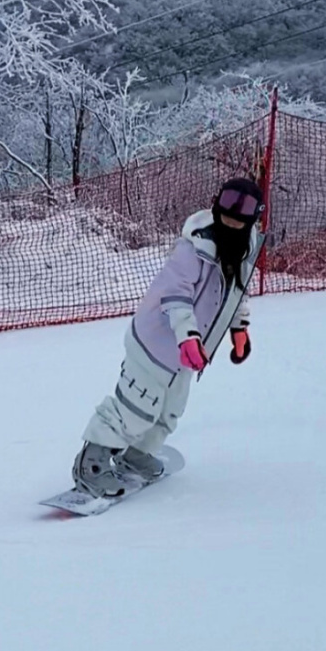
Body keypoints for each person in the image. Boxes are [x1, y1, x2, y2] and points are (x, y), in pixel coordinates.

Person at [72, 176, 265, 497]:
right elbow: (175, 294)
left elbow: (236, 294)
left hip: (188, 353)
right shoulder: (194, 247)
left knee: (170, 410)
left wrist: (239, 328)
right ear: (217, 205)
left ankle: (137, 454)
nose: (232, 219)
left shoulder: (245, 249)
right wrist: (187, 336)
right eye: (227, 209)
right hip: (155, 343)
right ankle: (91, 464)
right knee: (135, 408)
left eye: (241, 215)